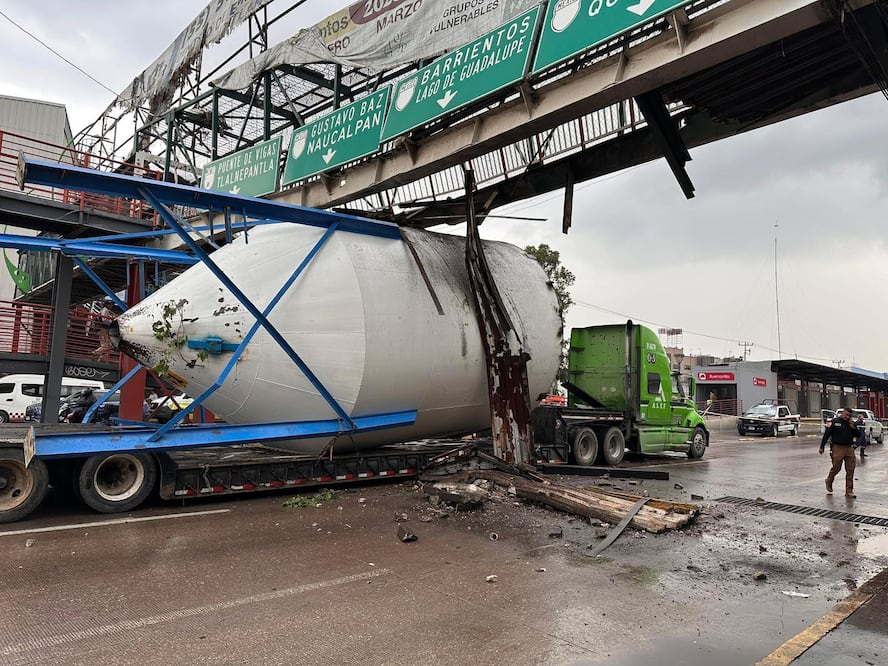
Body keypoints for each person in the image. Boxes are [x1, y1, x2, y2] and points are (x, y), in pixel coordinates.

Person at [819, 407, 860, 497]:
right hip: (837, 448)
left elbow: (858, 435)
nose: (847, 417)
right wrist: (822, 447)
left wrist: (853, 428)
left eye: (849, 415)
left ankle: (849, 491)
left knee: (850, 470)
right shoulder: (835, 422)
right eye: (846, 415)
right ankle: (829, 480)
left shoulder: (851, 423)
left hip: (849, 448)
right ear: (842, 413)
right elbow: (827, 434)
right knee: (836, 467)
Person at [92, 297, 116, 362]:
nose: (112, 305)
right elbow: (104, 320)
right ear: (107, 304)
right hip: (103, 329)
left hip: (102, 329)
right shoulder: (106, 310)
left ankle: (100, 358)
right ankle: (95, 353)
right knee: (107, 345)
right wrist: (112, 322)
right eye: (110, 304)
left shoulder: (104, 310)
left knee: (106, 345)